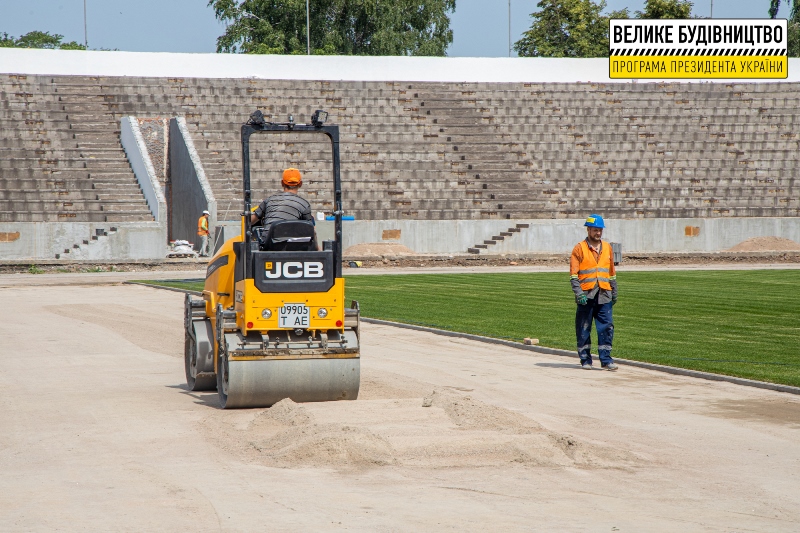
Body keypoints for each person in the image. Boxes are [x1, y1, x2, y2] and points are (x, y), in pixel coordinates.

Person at [570, 214, 618, 371]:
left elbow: (611, 272)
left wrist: (614, 290)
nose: (598, 233)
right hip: (586, 295)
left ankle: (606, 359)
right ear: (588, 229)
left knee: (606, 326)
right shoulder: (579, 248)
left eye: (600, 230)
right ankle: (585, 359)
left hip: (604, 293)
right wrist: (579, 293)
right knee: (584, 327)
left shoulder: (607, 248)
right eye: (595, 230)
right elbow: (573, 276)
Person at [250, 167, 315, 231]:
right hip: (290, 240)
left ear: (282, 183)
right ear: (300, 184)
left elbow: (251, 221)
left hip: (268, 240)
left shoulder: (269, 200)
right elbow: (311, 229)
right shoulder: (304, 204)